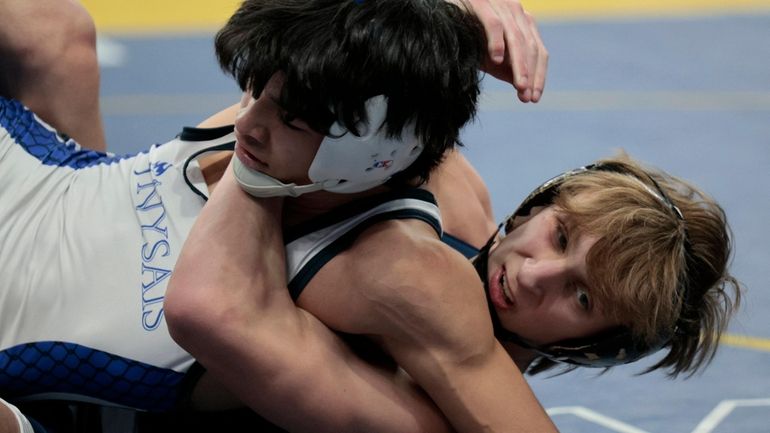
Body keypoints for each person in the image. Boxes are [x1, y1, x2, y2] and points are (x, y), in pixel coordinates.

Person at [0, 0, 555, 432]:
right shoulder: (308, 109)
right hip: (30, 175)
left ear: (373, 151)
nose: (249, 121)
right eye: (258, 87)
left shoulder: (394, 272)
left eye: (289, 119)